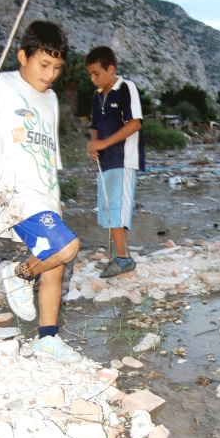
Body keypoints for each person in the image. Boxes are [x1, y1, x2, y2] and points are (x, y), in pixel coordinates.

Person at [0, 20, 81, 363]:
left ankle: (47, 339)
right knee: (67, 247)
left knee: (54, 266)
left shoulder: (51, 99)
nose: (50, 74)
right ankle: (15, 274)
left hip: (44, 193)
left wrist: (57, 201)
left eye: (56, 67)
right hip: (15, 194)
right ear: (23, 56)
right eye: (43, 64)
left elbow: (49, 153)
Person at [85, 46, 144, 278]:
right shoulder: (97, 96)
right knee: (109, 207)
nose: (93, 79)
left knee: (118, 208)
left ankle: (123, 259)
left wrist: (105, 143)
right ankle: (119, 256)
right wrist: (94, 145)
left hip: (123, 159)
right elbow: (94, 127)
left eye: (96, 73)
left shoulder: (125, 88)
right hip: (105, 162)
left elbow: (135, 123)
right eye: (89, 74)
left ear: (111, 69)